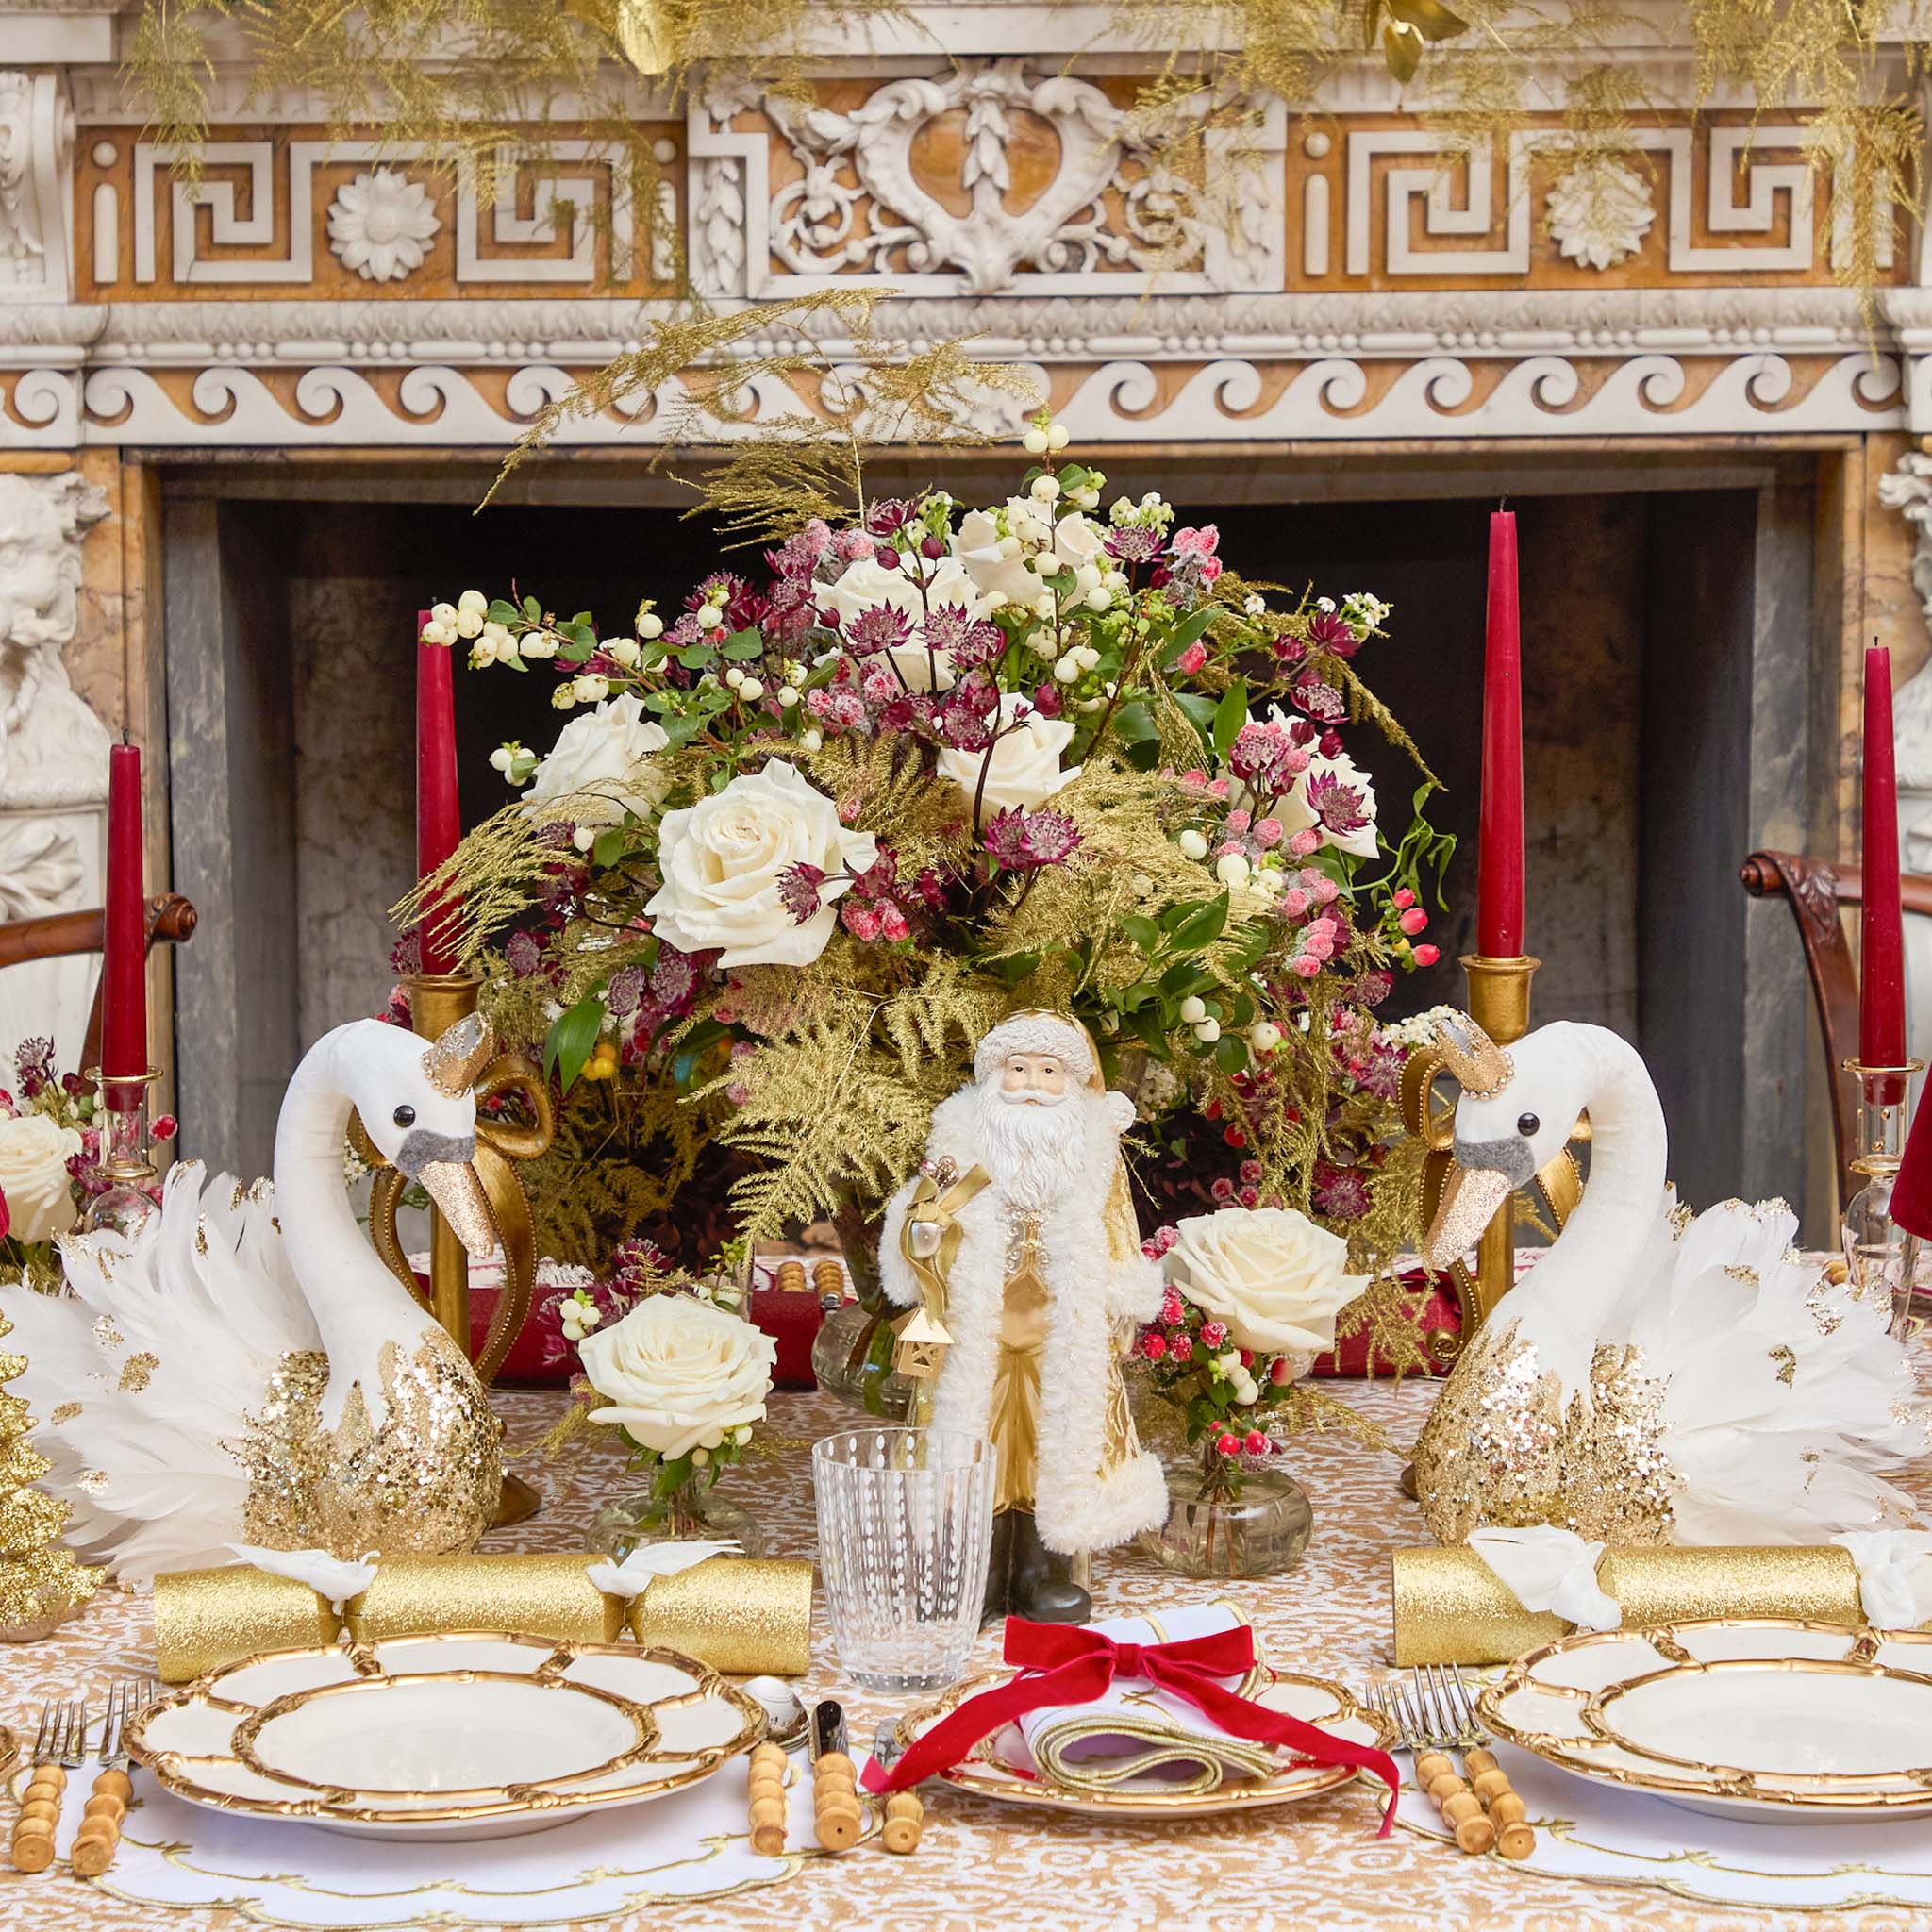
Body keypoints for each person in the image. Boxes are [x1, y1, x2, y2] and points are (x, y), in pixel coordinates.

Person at [880, 1011, 1167, 1622]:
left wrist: (1122, 1306)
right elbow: (924, 1222)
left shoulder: (1093, 1152)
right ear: (993, 1076)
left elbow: (1119, 1229)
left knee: (1050, 1442)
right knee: (973, 1437)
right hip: (974, 1329)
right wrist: (923, 1229)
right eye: (1017, 1069)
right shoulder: (961, 1146)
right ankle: (978, 1566)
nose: (1032, 1083)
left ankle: (1041, 1566)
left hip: (1057, 1331)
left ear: (1072, 1081)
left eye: (1048, 1070)